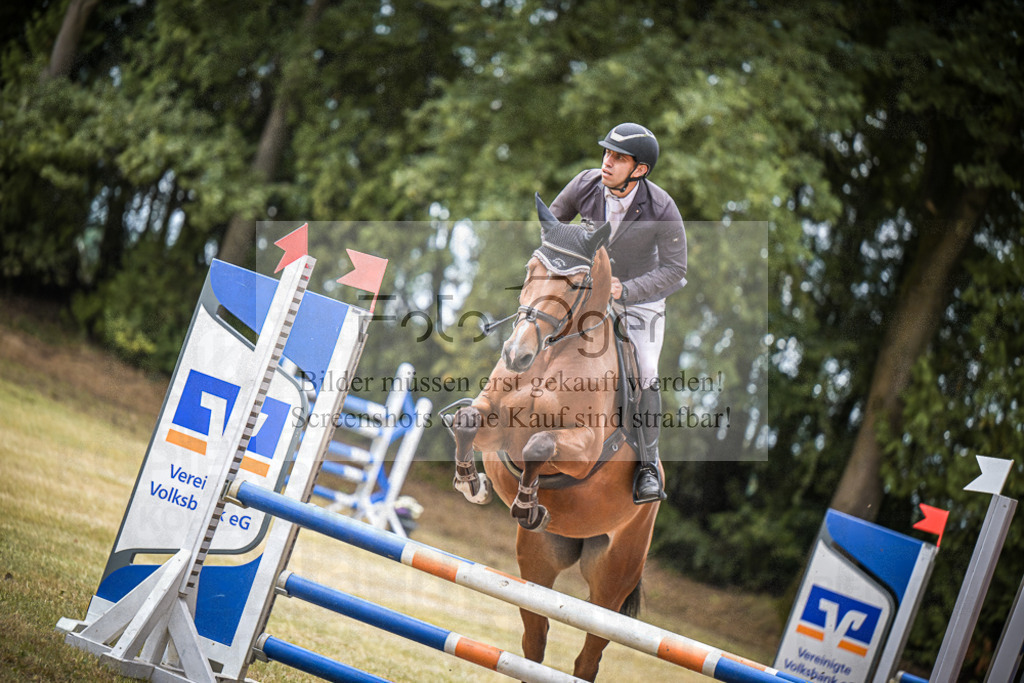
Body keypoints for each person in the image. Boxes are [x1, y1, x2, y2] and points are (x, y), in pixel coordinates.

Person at [549, 122, 687, 504]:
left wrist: (625, 289)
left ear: (639, 169)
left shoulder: (662, 208)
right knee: (538, 325)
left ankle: (647, 466)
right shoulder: (585, 183)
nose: (606, 162)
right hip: (586, 286)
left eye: (618, 158)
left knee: (646, 370)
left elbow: (676, 270)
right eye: (606, 152)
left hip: (639, 298)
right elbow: (552, 226)